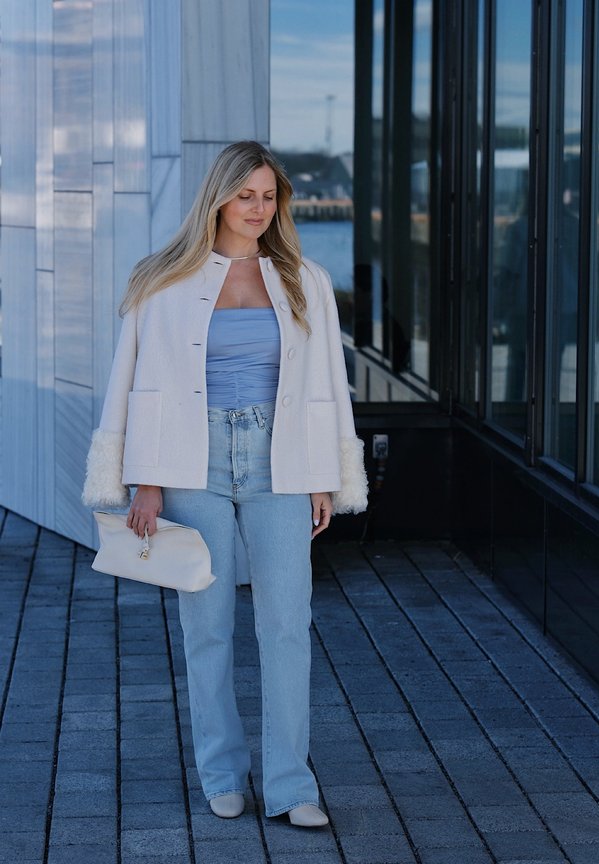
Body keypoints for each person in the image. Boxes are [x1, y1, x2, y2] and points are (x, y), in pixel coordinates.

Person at [82, 141, 368, 828]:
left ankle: (292, 785)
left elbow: (329, 385)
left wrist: (323, 478)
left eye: (269, 197)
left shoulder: (305, 279)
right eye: (247, 196)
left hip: (280, 465)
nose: (259, 209)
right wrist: (143, 484)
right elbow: (138, 386)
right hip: (192, 465)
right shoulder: (162, 280)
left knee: (286, 625)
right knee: (207, 627)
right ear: (218, 198)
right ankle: (220, 772)